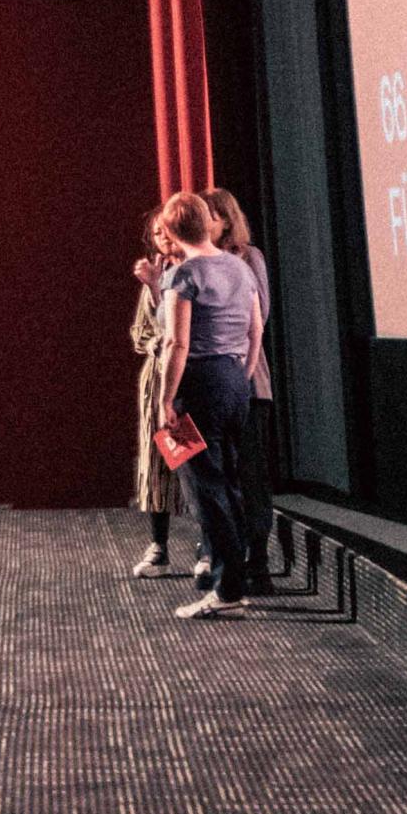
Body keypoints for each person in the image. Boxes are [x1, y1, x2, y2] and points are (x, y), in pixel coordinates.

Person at [154, 192, 270, 619]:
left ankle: (227, 589)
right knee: (229, 484)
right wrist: (242, 372)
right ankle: (233, 580)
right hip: (234, 382)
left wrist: (166, 399)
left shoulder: (184, 275)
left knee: (206, 489)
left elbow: (176, 342)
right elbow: (256, 329)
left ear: (170, 231)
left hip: (196, 384)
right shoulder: (238, 266)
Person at [126, 204, 190, 580]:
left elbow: (176, 330)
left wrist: (154, 285)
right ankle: (159, 546)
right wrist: (151, 285)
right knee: (155, 462)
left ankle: (205, 545)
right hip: (155, 383)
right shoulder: (159, 269)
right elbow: (141, 333)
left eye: (166, 232)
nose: (160, 239)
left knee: (188, 460)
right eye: (155, 233)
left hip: (182, 380)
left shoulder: (188, 272)